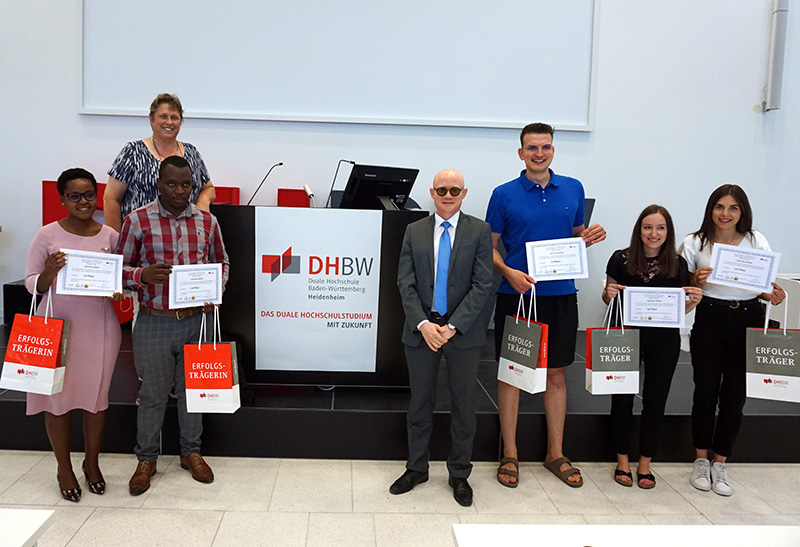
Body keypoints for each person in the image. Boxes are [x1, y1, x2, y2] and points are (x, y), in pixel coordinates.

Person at [486, 122, 606, 488]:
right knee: (513, 375)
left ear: (553, 150)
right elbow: (489, 248)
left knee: (556, 374)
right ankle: (510, 452)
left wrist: (585, 238)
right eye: (532, 148)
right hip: (518, 296)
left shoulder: (572, 188)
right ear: (520, 153)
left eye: (546, 147)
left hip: (560, 296)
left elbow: (570, 237)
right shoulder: (503, 194)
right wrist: (508, 272)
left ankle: (556, 452)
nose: (539, 153)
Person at [118, 155, 229, 496]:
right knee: (151, 396)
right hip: (154, 321)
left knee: (192, 394)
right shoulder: (137, 221)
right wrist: (142, 275)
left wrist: (215, 290)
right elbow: (117, 270)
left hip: (195, 322)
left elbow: (221, 263)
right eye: (172, 184)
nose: (180, 191)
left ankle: (190, 452)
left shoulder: (207, 222)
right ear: (158, 183)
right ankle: (147, 459)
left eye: (186, 185)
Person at [391, 169, 493, 507]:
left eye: (454, 190)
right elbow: (405, 282)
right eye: (441, 189)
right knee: (420, 402)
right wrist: (423, 323)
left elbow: (482, 285)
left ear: (464, 193)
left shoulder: (479, 230)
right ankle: (417, 468)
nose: (447, 195)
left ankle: (459, 473)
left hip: (461, 332)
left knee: (464, 405)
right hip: (422, 331)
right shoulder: (414, 230)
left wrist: (453, 326)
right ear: (432, 193)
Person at [24, 168, 123, 501]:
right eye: (75, 196)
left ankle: (91, 464)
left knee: (96, 399)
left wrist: (117, 291)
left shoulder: (109, 235)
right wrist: (47, 275)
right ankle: (63, 467)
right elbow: (30, 282)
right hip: (57, 328)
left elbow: (117, 281)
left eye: (89, 195)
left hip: (100, 328)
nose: (84, 202)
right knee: (57, 400)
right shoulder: (46, 235)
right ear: (62, 199)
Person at [679, 184, 785, 496]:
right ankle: (700, 459)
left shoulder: (756, 240)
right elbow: (679, 282)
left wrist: (773, 294)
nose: (726, 214)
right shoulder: (694, 242)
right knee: (706, 390)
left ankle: (720, 462)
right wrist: (694, 280)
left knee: (735, 395)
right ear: (710, 209)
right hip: (710, 317)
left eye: (733, 208)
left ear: (742, 212)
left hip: (748, 318)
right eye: (720, 207)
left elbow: (763, 285)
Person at [602, 205, 702, 489]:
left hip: (664, 340)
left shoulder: (678, 265)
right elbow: (609, 299)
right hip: (626, 337)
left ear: (668, 232)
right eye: (648, 227)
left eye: (660, 228)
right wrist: (608, 293)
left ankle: (645, 462)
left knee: (656, 400)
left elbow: (678, 310)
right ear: (639, 230)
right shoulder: (620, 259)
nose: (653, 233)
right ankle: (622, 459)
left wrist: (692, 301)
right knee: (621, 398)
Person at [104, 93, 216, 233]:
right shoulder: (132, 151)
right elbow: (111, 198)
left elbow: (209, 188)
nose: (169, 122)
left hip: (185, 236)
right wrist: (117, 241)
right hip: (140, 237)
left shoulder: (192, 152)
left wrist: (203, 202)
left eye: (174, 117)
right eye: (163, 117)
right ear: (151, 120)